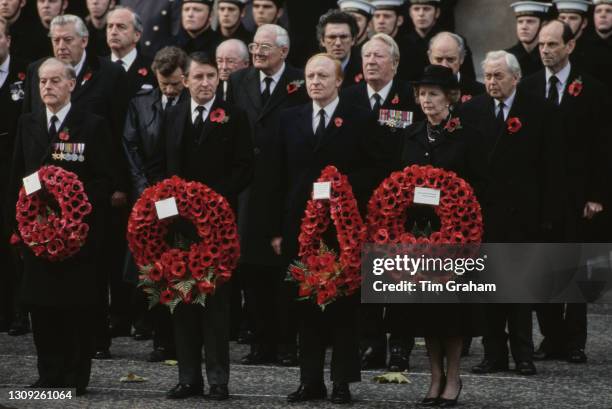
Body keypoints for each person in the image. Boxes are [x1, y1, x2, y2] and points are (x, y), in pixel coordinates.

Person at [270, 53, 383, 405]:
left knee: (343, 311)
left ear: (339, 81)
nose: (315, 82)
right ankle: (310, 381)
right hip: (300, 228)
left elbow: (375, 168)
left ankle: (341, 382)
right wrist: (274, 230)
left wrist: (341, 188)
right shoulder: (289, 119)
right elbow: (274, 177)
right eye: (309, 76)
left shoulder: (360, 119)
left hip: (342, 229)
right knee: (306, 307)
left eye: (322, 75)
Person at [21, 14, 130, 359]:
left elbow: (117, 137)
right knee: (44, 295)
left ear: (84, 40)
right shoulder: (37, 85)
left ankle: (92, 345)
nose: (61, 45)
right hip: (39, 217)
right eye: (56, 40)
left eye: (67, 39)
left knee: (87, 287)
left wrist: (105, 192)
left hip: (84, 211)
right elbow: (24, 157)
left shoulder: (107, 77)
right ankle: (50, 365)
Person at [7, 57, 116, 396]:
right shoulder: (28, 122)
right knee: (41, 307)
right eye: (42, 81)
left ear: (72, 84)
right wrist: (23, 221)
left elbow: (105, 179)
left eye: (55, 81)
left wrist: (72, 201)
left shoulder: (92, 124)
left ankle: (74, 375)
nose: (48, 87)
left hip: (76, 236)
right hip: (39, 233)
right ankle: (48, 374)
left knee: (75, 307)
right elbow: (18, 176)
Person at [459, 50, 562, 376]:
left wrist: (547, 213)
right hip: (484, 212)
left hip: (522, 213)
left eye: (498, 76)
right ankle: (493, 354)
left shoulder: (539, 109)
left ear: (515, 78)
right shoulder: (471, 110)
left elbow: (551, 165)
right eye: (487, 76)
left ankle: (523, 354)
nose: (491, 82)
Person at [162, 51, 253, 401]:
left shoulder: (234, 116)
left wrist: (212, 201)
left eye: (210, 76)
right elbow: (162, 165)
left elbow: (245, 166)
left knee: (215, 305)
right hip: (180, 226)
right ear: (185, 80)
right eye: (198, 77)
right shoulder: (172, 115)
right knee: (183, 300)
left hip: (217, 224)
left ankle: (217, 380)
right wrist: (173, 207)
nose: (205, 83)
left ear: (219, 78)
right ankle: (188, 378)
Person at [521, 19, 610, 365]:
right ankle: (551, 337)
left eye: (553, 45)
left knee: (575, 268)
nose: (545, 51)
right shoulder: (527, 87)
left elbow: (603, 149)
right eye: (542, 45)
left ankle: (575, 340)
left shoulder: (593, 89)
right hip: (540, 196)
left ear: (570, 46)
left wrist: (598, 195)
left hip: (577, 196)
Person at [396, 64, 483, 408]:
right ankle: (434, 377)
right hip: (421, 235)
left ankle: (454, 376)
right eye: (422, 94)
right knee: (427, 313)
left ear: (450, 98)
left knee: (452, 313)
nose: (427, 100)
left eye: (434, 94)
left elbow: (480, 185)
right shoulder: (412, 134)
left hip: (455, 236)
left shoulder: (466, 134)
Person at [228, 23, 307, 366]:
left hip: (285, 185)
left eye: (265, 47)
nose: (257, 52)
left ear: (284, 52)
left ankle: (287, 342)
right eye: (254, 45)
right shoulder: (238, 80)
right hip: (247, 187)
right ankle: (260, 341)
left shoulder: (300, 82)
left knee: (284, 268)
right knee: (251, 269)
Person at [342, 32, 419, 372]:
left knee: (400, 276)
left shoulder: (410, 100)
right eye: (367, 56)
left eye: (378, 56)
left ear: (395, 62)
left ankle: (400, 345)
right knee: (365, 275)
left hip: (399, 203)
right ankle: (370, 343)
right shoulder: (349, 98)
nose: (371, 62)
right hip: (359, 200)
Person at [0, 16, 28, 336]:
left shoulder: (26, 72)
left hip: (14, 166)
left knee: (15, 239)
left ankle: (20, 311)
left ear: (8, 40)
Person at [400, 0, 476, 81]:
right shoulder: (402, 44)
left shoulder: (454, 42)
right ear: (410, 13)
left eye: (426, 9)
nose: (421, 14)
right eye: (416, 9)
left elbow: (468, 79)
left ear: (437, 13)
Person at [107, 6, 156, 98]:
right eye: (110, 26)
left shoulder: (153, 68)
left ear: (137, 35)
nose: (113, 32)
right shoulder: (96, 68)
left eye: (121, 27)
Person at [428, 31, 485, 103]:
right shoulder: (416, 93)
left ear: (461, 58)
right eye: (439, 59)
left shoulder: (480, 93)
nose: (444, 65)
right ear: (430, 57)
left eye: (450, 59)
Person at [316, 9, 362, 89]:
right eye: (332, 37)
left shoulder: (364, 70)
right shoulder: (312, 70)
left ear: (353, 40)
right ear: (322, 41)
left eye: (343, 37)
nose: (338, 43)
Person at [506, 1, 552, 77]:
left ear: (543, 25)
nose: (524, 27)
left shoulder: (549, 57)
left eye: (530, 22)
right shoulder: (506, 57)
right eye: (520, 22)